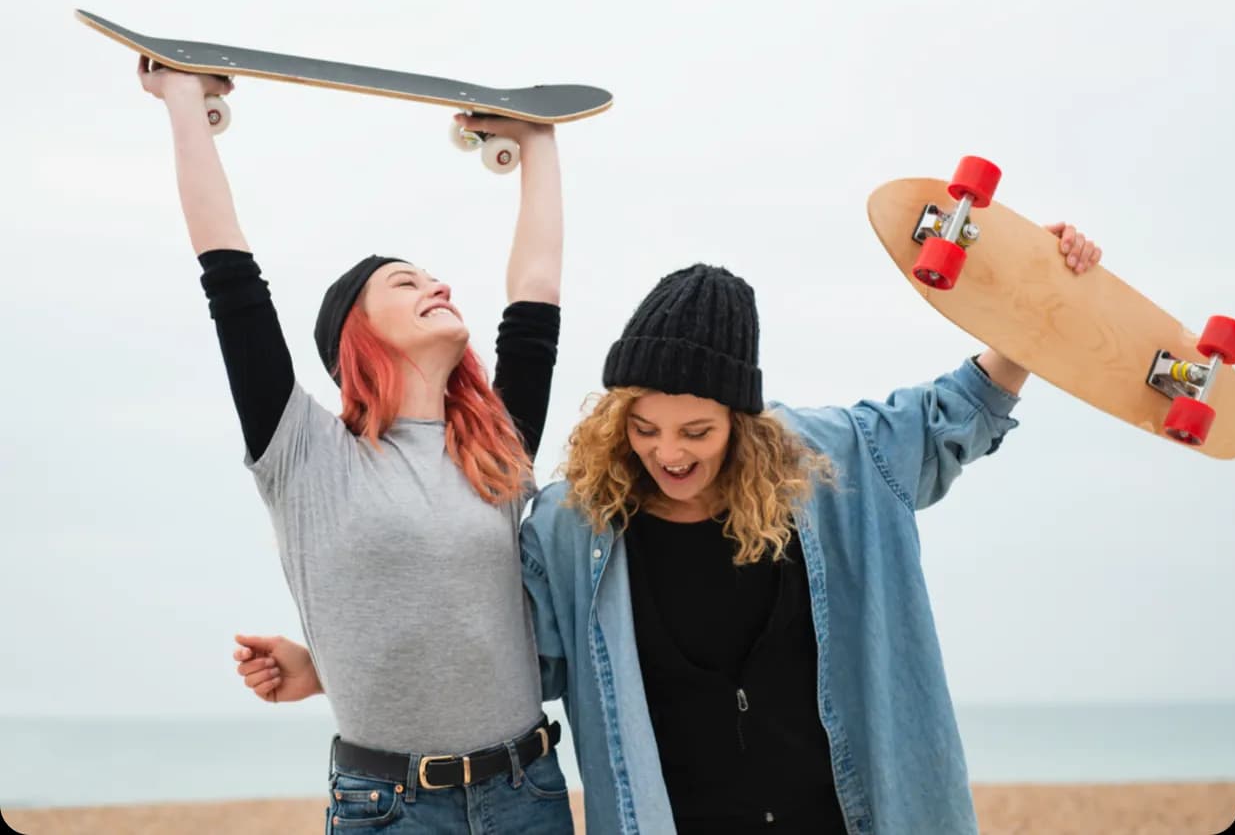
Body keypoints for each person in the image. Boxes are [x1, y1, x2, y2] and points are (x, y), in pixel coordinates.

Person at [237, 215, 1103, 832]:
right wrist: (329, 666)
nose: (670, 455)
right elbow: (500, 646)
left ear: (742, 421)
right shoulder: (576, 527)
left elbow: (960, 409)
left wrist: (1035, 298)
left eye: (697, 432)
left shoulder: (833, 465)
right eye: (645, 430)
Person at [136, 53, 576, 834]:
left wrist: (538, 146)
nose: (437, 287)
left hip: (527, 793)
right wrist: (182, 101)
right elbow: (229, 276)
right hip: (390, 810)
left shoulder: (495, 448)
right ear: (356, 335)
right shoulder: (304, 454)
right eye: (406, 284)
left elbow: (535, 297)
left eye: (435, 279)